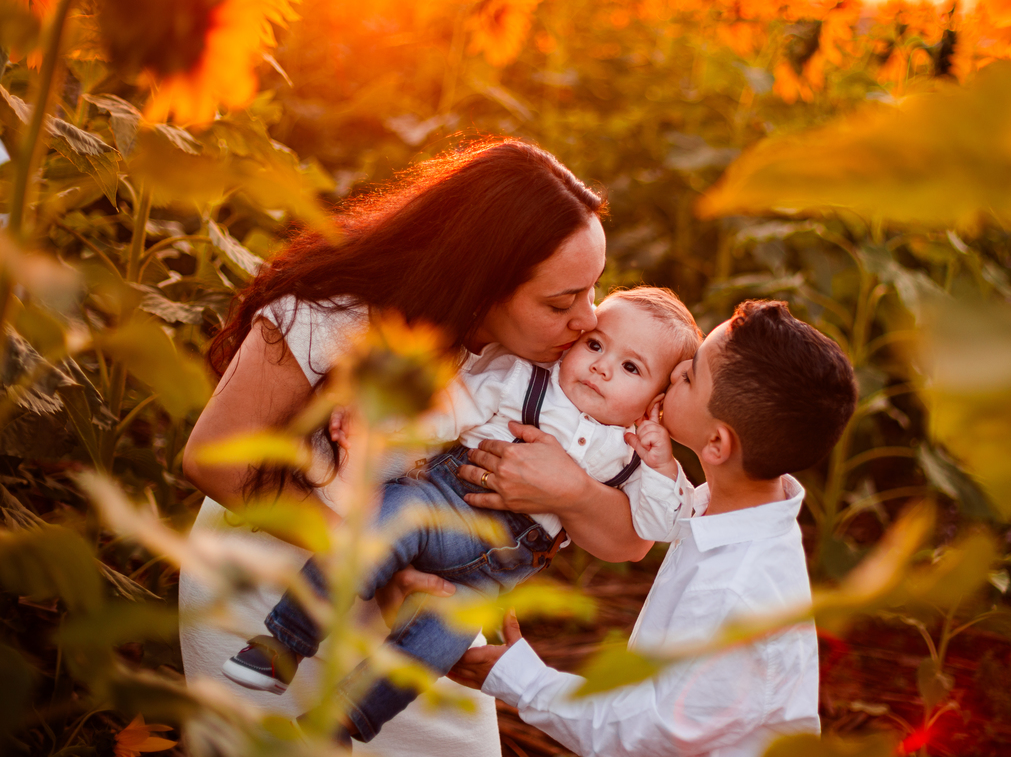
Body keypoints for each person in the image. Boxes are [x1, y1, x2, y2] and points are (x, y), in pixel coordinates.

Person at [179, 140, 655, 757]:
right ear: (482, 284)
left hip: (415, 624)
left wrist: (574, 490)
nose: (588, 321)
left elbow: (628, 540)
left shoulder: (545, 364)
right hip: (267, 593)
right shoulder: (330, 315)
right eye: (562, 301)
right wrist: (382, 556)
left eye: (593, 290)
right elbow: (215, 457)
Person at [220, 287, 702, 743]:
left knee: (433, 648)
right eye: (595, 344)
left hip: (487, 578)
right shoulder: (523, 379)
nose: (600, 367)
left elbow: (654, 527)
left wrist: (659, 464)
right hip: (435, 505)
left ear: (655, 404)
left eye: (631, 368)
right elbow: (449, 409)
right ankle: (282, 643)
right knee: (373, 536)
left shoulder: (638, 455)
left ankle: (343, 719)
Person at [450, 299, 859, 757]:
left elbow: (648, 736)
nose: (676, 369)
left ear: (718, 443)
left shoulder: (734, 593)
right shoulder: (726, 514)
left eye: (690, 374)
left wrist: (519, 678)